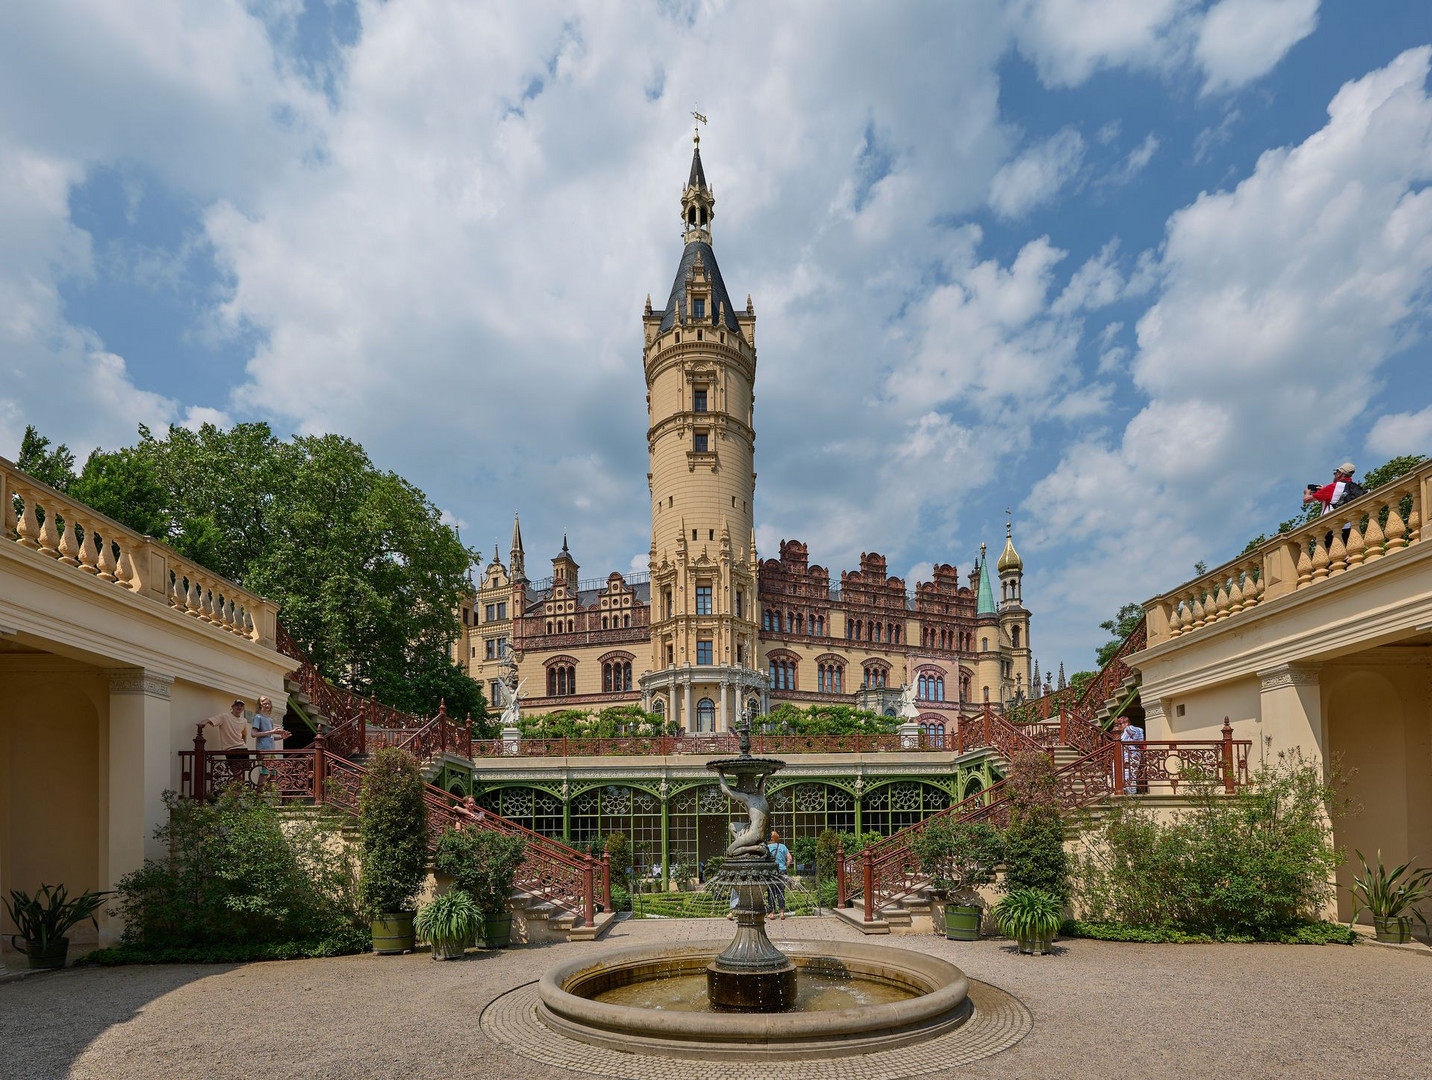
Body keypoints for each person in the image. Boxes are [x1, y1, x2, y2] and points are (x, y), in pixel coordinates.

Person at [201, 699, 252, 784]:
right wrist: (203, 723)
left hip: (243, 749)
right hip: (231, 749)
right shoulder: (225, 716)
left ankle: (237, 794)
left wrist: (244, 745)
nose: (239, 707)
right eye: (237, 705)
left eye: (241, 706)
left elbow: (244, 734)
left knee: (241, 774)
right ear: (232, 707)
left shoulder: (244, 720)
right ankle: (236, 794)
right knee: (236, 774)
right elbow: (211, 720)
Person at [250, 696, 290, 790]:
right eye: (265, 704)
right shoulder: (258, 717)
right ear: (260, 704)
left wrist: (281, 737)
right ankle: (258, 796)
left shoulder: (269, 719)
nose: (267, 705)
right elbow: (253, 734)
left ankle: (268, 795)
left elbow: (270, 737)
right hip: (263, 749)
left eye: (268, 704)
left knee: (273, 773)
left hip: (271, 749)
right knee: (264, 773)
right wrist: (272, 732)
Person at [1115, 716, 1145, 794]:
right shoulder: (1122, 733)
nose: (1118, 726)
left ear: (1126, 723)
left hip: (1132, 756)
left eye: (1120, 724)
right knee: (1123, 774)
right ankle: (1123, 790)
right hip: (1124, 757)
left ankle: (1131, 793)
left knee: (1130, 774)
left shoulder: (1130, 729)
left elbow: (1139, 732)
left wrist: (1128, 727)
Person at [766, 830, 792, 920]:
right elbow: (789, 858)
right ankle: (781, 913)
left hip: (771, 872)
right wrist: (785, 866)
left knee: (771, 892)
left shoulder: (767, 847)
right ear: (777, 838)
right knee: (781, 892)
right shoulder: (783, 846)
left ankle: (771, 913)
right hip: (782, 871)